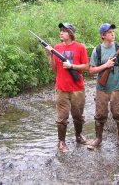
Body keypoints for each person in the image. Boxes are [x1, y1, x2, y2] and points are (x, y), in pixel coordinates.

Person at [45, 22, 89, 152]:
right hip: (61, 88)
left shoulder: (80, 47)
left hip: (77, 88)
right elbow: (54, 68)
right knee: (61, 118)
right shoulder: (57, 48)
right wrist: (49, 54)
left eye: (64, 31)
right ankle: (61, 142)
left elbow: (86, 66)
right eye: (60, 31)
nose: (61, 33)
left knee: (78, 116)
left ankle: (79, 136)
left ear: (70, 33)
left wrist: (72, 66)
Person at [87, 23, 119, 152]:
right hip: (102, 88)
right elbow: (91, 70)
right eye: (109, 32)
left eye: (113, 31)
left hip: (117, 87)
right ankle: (98, 139)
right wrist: (105, 65)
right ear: (103, 35)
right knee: (100, 115)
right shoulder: (97, 50)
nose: (113, 33)